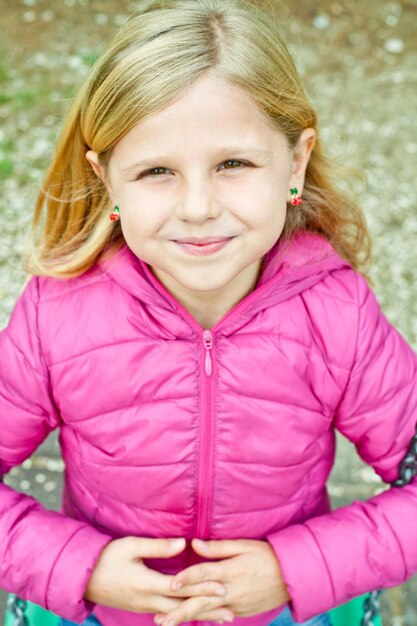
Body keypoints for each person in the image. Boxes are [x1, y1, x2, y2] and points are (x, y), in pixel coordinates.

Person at [1, 1, 417, 626]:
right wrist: (78, 568)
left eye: (233, 164)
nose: (197, 208)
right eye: (157, 171)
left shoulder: (340, 317)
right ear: (107, 179)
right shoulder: (53, 317)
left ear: (295, 163)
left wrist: (297, 569)